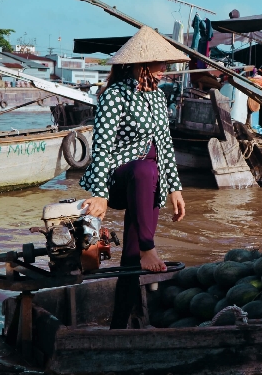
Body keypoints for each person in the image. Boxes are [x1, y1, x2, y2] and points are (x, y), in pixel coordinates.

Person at [78, 26, 189, 328]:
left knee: (130, 259)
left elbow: (165, 144)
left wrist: (175, 190)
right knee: (144, 169)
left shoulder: (158, 98)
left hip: (148, 183)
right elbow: (100, 147)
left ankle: (118, 326)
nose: (166, 70)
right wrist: (99, 192)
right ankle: (147, 247)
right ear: (143, 65)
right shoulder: (114, 96)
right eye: (161, 63)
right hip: (118, 178)